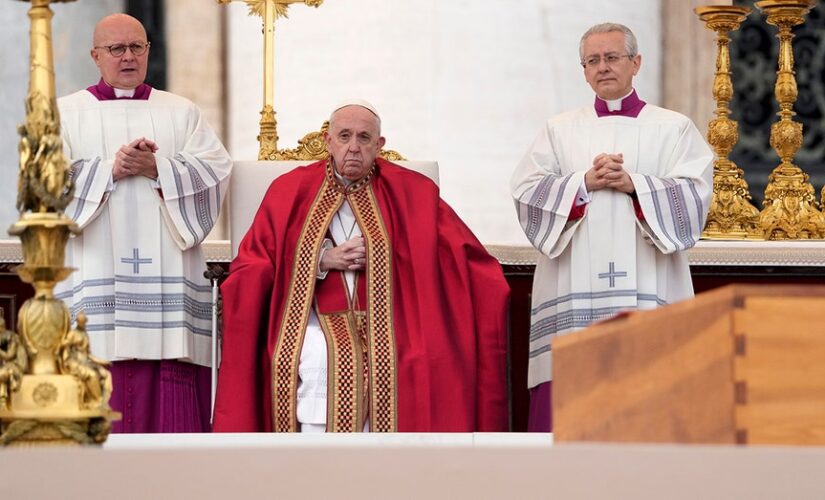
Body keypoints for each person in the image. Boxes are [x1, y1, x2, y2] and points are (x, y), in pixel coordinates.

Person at [213, 100, 508, 432]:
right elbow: (253, 263)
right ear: (328, 141)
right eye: (344, 136)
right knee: (316, 352)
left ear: (379, 146)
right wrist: (320, 259)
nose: (353, 147)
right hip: (312, 320)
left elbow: (461, 258)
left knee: (418, 358)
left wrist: (390, 254)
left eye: (364, 138)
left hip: (396, 321)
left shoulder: (414, 192)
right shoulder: (289, 190)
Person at [510, 23, 713, 432]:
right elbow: (526, 192)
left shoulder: (673, 128)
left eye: (613, 57)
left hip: (649, 286)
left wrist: (634, 184)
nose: (603, 67)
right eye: (593, 60)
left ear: (636, 63)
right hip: (572, 293)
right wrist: (583, 182)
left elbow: (695, 196)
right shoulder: (559, 129)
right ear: (583, 71)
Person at [55, 13, 232, 433]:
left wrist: (159, 168)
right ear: (95, 55)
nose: (128, 57)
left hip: (167, 274)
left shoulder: (181, 111)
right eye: (117, 49)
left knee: (168, 375)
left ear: (148, 51)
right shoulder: (64, 112)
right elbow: (42, 181)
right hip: (94, 264)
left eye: (137, 47)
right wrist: (109, 171)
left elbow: (217, 169)